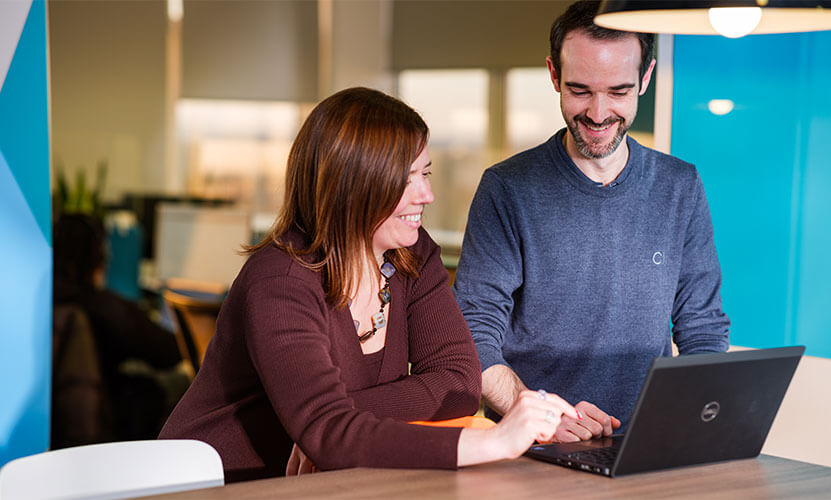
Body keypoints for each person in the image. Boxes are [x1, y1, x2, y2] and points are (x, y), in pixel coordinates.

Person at [158, 87, 579, 483]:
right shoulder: (280, 281)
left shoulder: (414, 256)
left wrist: (328, 426)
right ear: (354, 186)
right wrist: (497, 440)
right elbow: (331, 434)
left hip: (333, 482)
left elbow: (459, 385)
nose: (427, 195)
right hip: (219, 484)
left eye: (426, 174)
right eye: (408, 179)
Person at [453, 0, 730, 443]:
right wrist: (540, 417)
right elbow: (472, 332)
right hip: (533, 447)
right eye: (580, 90)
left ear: (646, 77)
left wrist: (697, 419)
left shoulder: (680, 185)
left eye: (618, 92)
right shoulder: (507, 189)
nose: (599, 114)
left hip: (648, 442)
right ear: (553, 75)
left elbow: (702, 326)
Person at [52, 213, 186, 445]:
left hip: (55, 422)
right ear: (98, 257)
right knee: (181, 382)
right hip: (103, 421)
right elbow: (169, 352)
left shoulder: (36, 303)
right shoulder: (104, 306)